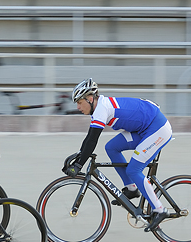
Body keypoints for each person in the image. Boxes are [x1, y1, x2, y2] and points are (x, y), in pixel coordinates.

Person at [62, 78, 172, 232]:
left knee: (134, 170)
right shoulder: (98, 109)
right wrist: (78, 157)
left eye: (80, 102)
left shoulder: (102, 109)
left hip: (157, 128)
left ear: (90, 99)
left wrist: (79, 164)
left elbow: (93, 140)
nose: (78, 107)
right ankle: (132, 188)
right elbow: (89, 138)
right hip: (144, 129)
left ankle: (160, 210)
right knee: (111, 147)